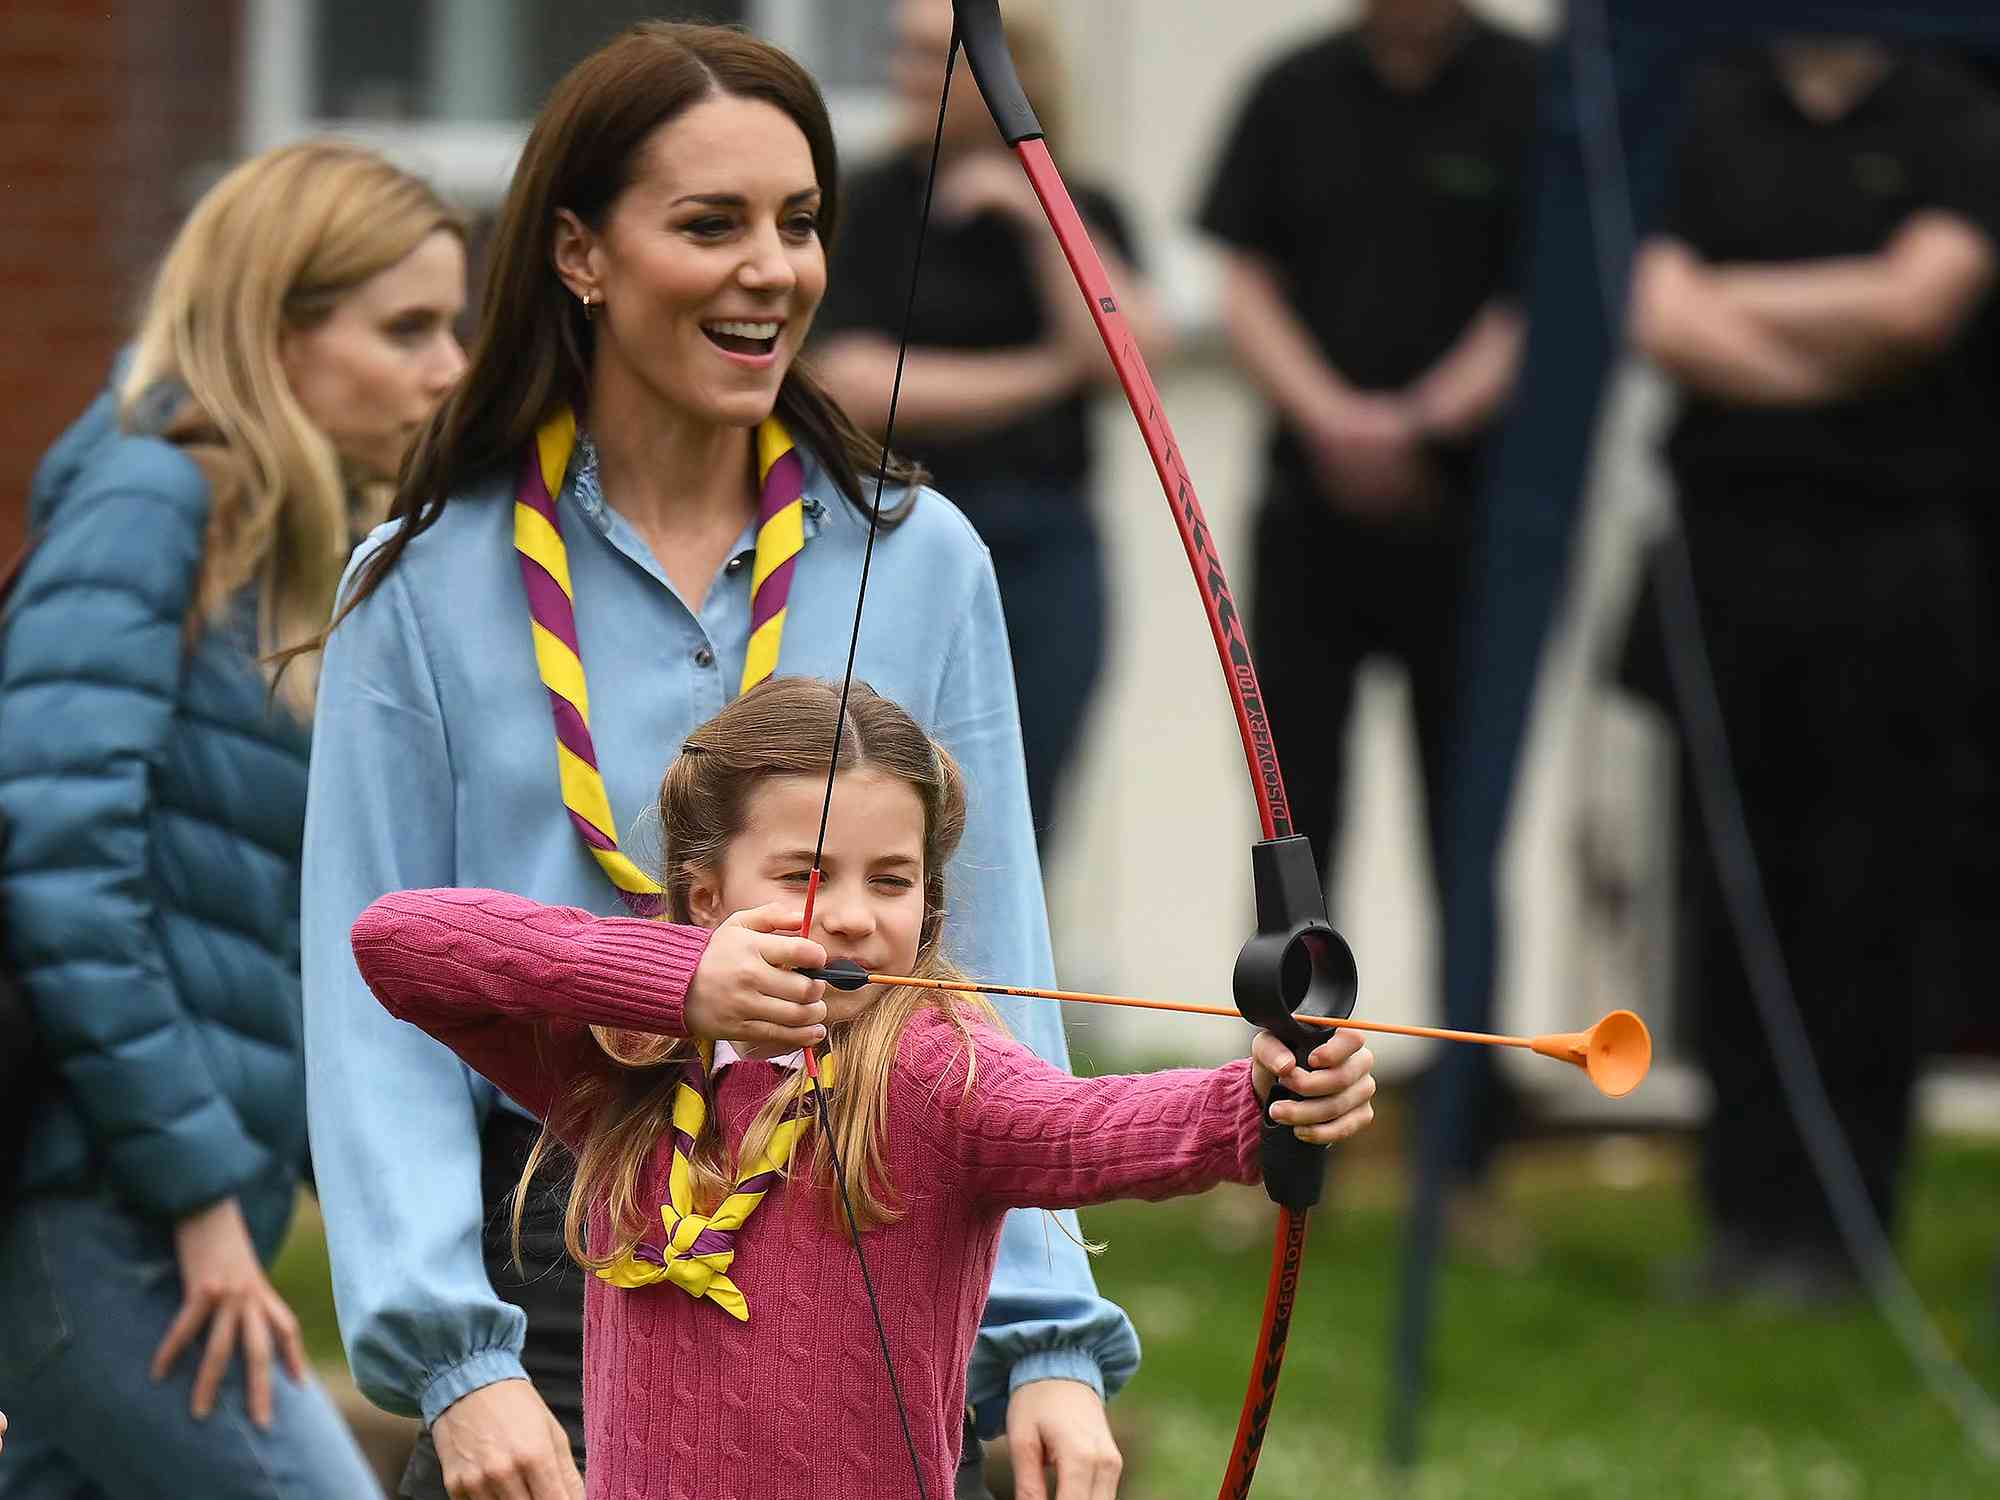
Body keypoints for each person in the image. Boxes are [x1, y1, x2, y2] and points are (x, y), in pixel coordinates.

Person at [302, 23, 1144, 1500]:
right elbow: (372, 1001)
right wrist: (459, 1364)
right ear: (580, 253)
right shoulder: (421, 581)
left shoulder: (923, 556)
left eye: (800, 223)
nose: (775, 268)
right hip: (560, 1251)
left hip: (878, 1224)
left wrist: (1049, 1341)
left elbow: (990, 966)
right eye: (712, 224)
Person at [347, 676, 1379, 1500]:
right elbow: (396, 944)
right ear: (707, 893)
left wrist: (1262, 1099)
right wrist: (677, 979)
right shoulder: (628, 1064)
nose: (848, 915)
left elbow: (1083, 1129)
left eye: (889, 881)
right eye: (804, 873)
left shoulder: (935, 1067)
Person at [0, 140, 466, 1497]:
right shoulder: (151, 502)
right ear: (277, 335)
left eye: (453, 324)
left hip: (168, 1206)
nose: (449, 367)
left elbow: (252, 933)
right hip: (105, 1211)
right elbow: (60, 870)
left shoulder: (278, 553)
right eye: (406, 329)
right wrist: (199, 1200)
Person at [1630, 39, 2000, 1301]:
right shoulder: (1709, 104)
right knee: (1730, 887)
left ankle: (1843, 1227)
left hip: (1895, 555)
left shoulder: (1949, 108)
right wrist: (1827, 349)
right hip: (1728, 550)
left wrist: (1735, 309)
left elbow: (1921, 307)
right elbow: (1653, 310)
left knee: (1869, 892)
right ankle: (1738, 1215)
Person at [1193, 0, 1538, 1201]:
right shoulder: (1291, 88)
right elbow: (1239, 278)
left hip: (1474, 529)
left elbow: (1545, 291)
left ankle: (1468, 1162)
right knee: (1297, 850)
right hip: (1307, 525)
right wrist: (1331, 415)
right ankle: (1281, 1130)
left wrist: (1422, 417)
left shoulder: (1527, 88)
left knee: (1468, 833)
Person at [814, 0, 1168, 845]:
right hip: (894, 529)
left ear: (1014, 68)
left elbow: (1132, 349)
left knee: (1025, 813)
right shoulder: (871, 202)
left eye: (941, 56)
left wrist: (1036, 216)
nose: (911, 76)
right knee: (882, 799)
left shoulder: (1077, 205)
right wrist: (1049, 373)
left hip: (1045, 544)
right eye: (904, 54)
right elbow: (855, 383)